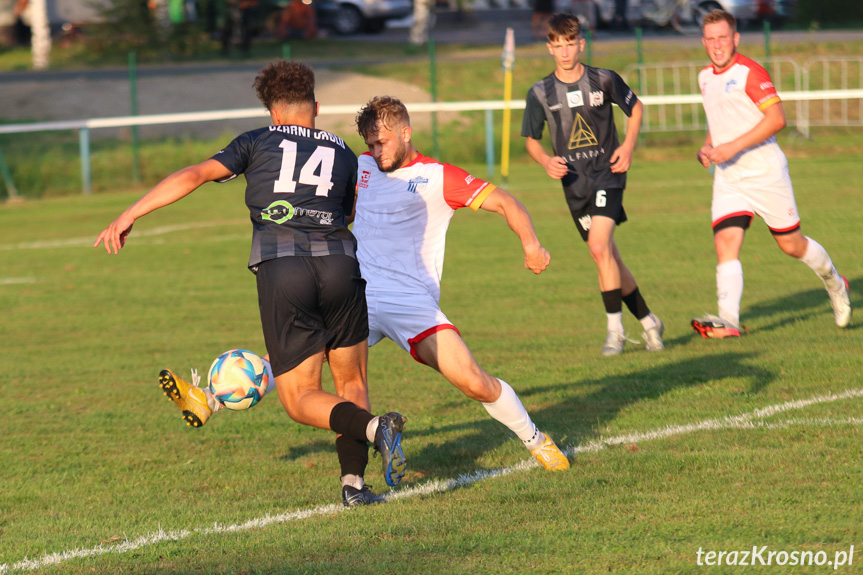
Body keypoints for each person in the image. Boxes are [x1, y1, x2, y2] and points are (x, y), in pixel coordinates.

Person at [170, 95, 570, 473]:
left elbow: (505, 201)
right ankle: (210, 400)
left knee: (473, 381)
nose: (377, 152)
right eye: (370, 145)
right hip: (352, 289)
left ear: (406, 133)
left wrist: (531, 244)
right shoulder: (358, 166)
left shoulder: (437, 177)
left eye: (382, 143)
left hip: (410, 301)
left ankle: (535, 439)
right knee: (295, 362)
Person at [94, 61, 407, 509]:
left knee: (300, 398)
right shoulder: (341, 149)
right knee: (351, 380)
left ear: (272, 111)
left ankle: (376, 429)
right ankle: (355, 486)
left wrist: (130, 214)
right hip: (341, 262)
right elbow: (348, 210)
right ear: (315, 106)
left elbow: (196, 174)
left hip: (285, 268)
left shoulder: (258, 140)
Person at [691, 10, 851, 338]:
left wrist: (731, 147)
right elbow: (718, 120)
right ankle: (729, 321)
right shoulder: (704, 77)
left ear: (735, 39)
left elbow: (777, 119)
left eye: (723, 37)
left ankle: (835, 283)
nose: (717, 45)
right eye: (711, 39)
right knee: (725, 242)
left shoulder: (750, 72)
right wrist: (708, 146)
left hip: (766, 174)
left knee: (791, 245)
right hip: (729, 177)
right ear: (703, 42)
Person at [522, 12, 664, 356]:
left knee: (599, 247)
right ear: (549, 49)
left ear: (581, 44)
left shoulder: (604, 80)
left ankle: (615, 331)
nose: (566, 51)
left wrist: (627, 146)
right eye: (558, 45)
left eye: (571, 44)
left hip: (608, 172)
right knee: (607, 255)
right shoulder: (540, 92)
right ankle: (648, 320)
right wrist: (546, 161)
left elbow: (637, 108)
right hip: (574, 184)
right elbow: (530, 139)